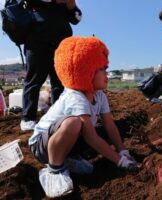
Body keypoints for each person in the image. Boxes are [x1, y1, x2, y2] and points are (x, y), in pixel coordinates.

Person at [28, 37, 138, 198]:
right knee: (75, 124)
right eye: (103, 69)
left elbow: (110, 125)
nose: (107, 74)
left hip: (63, 139)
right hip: (42, 146)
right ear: (87, 71)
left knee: (95, 130)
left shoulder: (99, 95)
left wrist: (122, 150)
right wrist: (120, 162)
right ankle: (54, 169)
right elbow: (91, 138)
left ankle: (68, 158)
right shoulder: (75, 97)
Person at [20, 0, 82, 131]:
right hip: (37, 43)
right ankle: (28, 118)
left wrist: (71, 5)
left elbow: (77, 18)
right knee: (33, 81)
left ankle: (58, 116)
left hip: (61, 45)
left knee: (59, 83)